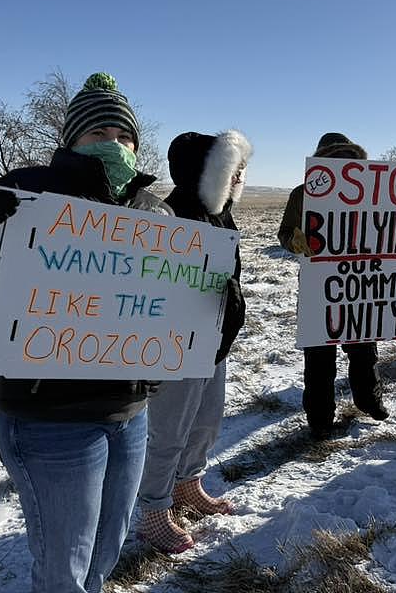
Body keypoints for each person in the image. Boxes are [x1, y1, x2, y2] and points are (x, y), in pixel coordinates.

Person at [0, 72, 171, 593]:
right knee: (64, 566)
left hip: (130, 414)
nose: (114, 145)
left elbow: (183, 318)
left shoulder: (151, 211)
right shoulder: (22, 192)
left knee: (106, 550)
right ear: (71, 139)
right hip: (52, 420)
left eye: (124, 136)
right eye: (99, 133)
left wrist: (217, 297)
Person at [278, 132, 396, 440]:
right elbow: (286, 233)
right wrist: (294, 240)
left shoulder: (376, 192)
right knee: (327, 356)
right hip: (323, 286)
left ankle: (363, 403)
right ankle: (325, 416)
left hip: (366, 288)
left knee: (359, 351)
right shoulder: (304, 193)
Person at [137, 130, 251, 553]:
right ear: (208, 171)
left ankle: (189, 484)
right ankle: (153, 509)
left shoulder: (220, 213)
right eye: (232, 167)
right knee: (169, 431)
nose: (240, 174)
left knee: (205, 422)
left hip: (214, 341)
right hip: (175, 346)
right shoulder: (173, 214)